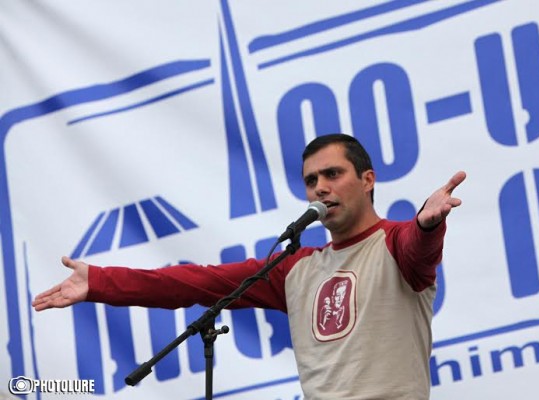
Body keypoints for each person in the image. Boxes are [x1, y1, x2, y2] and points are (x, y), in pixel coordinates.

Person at [32, 133, 466, 399]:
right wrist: (102, 281)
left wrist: (428, 225)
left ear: (368, 180)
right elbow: (195, 283)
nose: (320, 188)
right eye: (311, 181)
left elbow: (418, 250)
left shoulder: (395, 244)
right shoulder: (295, 269)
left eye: (332, 175)